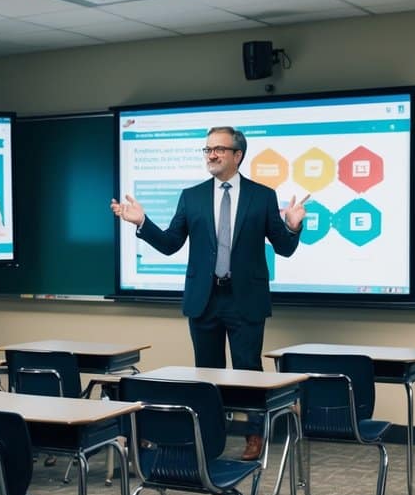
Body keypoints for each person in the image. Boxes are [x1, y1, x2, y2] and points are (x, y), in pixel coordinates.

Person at [112, 126, 307, 460]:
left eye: (219, 149)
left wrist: (292, 225)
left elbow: (285, 249)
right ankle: (210, 437)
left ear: (237, 155)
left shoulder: (262, 196)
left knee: (247, 370)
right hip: (205, 298)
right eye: (207, 149)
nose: (211, 155)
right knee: (206, 372)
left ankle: (253, 435)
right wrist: (142, 223)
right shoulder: (192, 196)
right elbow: (172, 244)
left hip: (245, 297)